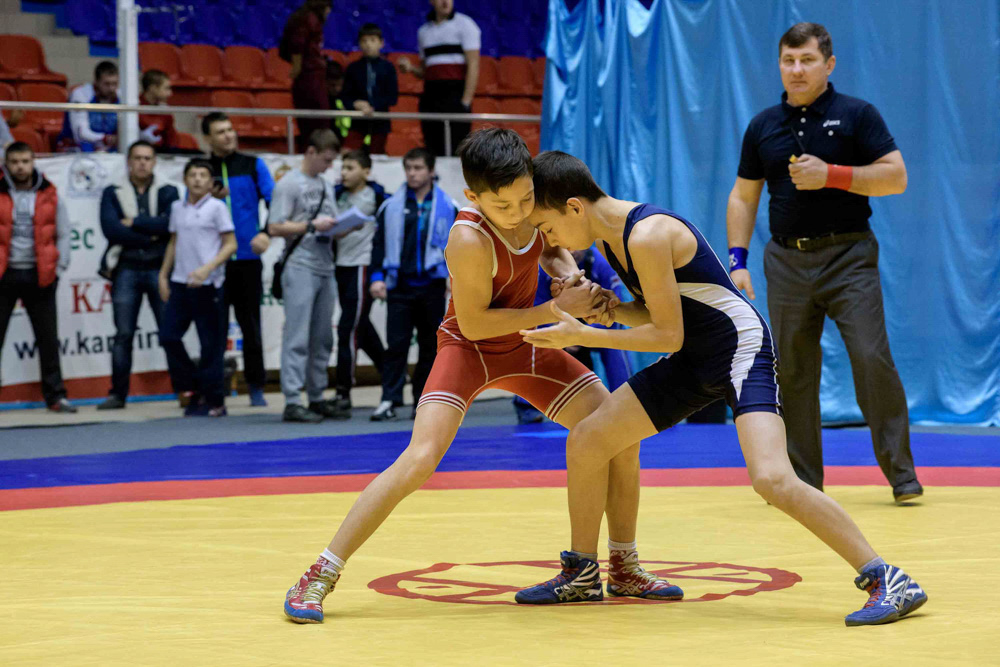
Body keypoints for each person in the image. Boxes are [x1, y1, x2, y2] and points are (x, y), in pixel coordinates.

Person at [283, 128, 680, 624]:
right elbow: (474, 324)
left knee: (617, 432)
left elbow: (549, 248)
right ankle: (320, 572)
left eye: (526, 200)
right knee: (420, 458)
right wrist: (555, 307)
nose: (519, 213)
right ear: (474, 196)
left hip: (527, 346)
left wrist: (569, 274)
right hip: (469, 350)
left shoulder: (529, 201)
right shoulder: (468, 236)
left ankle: (623, 564)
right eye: (504, 205)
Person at [519, 150, 927, 626]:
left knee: (772, 479)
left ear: (573, 207)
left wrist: (584, 335)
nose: (549, 241)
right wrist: (608, 309)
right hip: (695, 355)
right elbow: (659, 312)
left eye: (546, 227)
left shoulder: (647, 234)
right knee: (590, 438)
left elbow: (666, 335)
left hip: (739, 350)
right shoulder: (612, 242)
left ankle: (886, 577)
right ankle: (589, 573)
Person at [726, 23, 921, 503]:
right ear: (779, 65)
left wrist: (831, 175)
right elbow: (743, 196)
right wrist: (737, 260)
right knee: (791, 370)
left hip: (849, 256)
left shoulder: (857, 114)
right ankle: (803, 483)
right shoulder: (763, 125)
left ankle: (902, 475)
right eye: (788, 61)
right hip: (786, 261)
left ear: (828, 65)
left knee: (871, 358)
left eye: (807, 60)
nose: (796, 70)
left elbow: (895, 177)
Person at [267, 129, 350, 423]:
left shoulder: (326, 186)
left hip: (325, 264)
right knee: (297, 335)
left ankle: (316, 396)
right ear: (311, 152)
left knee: (323, 337)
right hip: (300, 264)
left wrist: (343, 227)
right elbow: (274, 227)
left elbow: (327, 223)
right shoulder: (289, 184)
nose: (329, 167)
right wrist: (312, 226)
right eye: (326, 160)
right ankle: (292, 399)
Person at [367, 147, 456, 421]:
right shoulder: (390, 206)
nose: (413, 173)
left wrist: (456, 281)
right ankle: (389, 400)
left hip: (432, 286)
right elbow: (379, 245)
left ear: (431, 171)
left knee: (431, 347)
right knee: (396, 346)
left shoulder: (448, 206)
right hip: (400, 286)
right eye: (409, 168)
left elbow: (458, 249)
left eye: (418, 168)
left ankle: (423, 401)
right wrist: (376, 277)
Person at [97, 140, 180, 410]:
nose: (143, 162)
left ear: (155, 162)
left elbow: (171, 224)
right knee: (123, 334)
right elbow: (111, 230)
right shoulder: (112, 192)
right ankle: (117, 394)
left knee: (169, 332)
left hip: (160, 269)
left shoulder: (168, 191)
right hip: (127, 269)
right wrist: (151, 235)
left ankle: (185, 390)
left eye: (147, 158)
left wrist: (135, 223)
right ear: (129, 162)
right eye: (137, 158)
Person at [513, 246, 632, 424]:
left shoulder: (601, 264)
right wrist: (560, 330)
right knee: (530, 339)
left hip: (592, 324)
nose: (573, 251)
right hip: (555, 321)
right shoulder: (540, 268)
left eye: (578, 247)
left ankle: (626, 402)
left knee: (616, 346)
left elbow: (615, 316)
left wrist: (584, 334)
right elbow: (534, 314)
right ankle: (525, 405)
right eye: (568, 248)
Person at [203, 112, 274, 406]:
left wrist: (266, 233)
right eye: (220, 132)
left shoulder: (253, 165)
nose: (228, 135)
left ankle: (256, 387)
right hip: (214, 261)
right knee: (214, 329)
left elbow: (277, 203)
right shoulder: (202, 170)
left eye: (230, 130)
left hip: (247, 258)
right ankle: (213, 393)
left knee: (251, 326)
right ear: (208, 138)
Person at [0, 142, 76, 412]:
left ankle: (56, 397)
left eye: (25, 161)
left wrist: (60, 266)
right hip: (4, 275)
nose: (20, 166)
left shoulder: (49, 193)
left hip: (40, 275)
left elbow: (64, 232)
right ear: (6, 164)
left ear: (33, 162)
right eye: (15, 162)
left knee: (47, 338)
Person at [158, 159, 237, 418]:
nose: (198, 179)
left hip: (208, 284)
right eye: (193, 174)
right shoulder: (177, 208)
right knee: (168, 336)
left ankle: (214, 399)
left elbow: (230, 244)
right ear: (185, 179)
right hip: (181, 282)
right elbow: (173, 241)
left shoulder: (217, 208)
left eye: (203, 175)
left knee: (210, 345)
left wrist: (208, 267)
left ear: (211, 181)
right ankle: (192, 387)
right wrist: (163, 275)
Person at [333, 149, 386, 410]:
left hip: (361, 266)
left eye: (350, 168)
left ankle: (343, 391)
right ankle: (392, 373)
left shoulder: (376, 196)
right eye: (343, 167)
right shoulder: (336, 195)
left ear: (366, 171)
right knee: (361, 328)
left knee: (348, 329)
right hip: (340, 266)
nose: (344, 173)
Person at [398, 0, 480, 156]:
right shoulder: (424, 31)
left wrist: (466, 101)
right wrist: (410, 68)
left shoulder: (466, 24)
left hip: (455, 95)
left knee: (458, 148)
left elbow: (474, 65)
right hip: (431, 95)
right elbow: (425, 70)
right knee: (432, 148)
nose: (445, 2)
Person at [282, 0, 333, 151]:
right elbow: (297, 45)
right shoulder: (308, 19)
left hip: (312, 78)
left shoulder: (306, 18)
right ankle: (317, 153)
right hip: (309, 80)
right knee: (316, 124)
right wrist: (297, 68)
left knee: (314, 124)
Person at [341, 23, 398, 155]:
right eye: (364, 41)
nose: (368, 44)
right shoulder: (353, 68)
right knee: (347, 154)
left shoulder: (388, 68)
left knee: (377, 157)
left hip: (380, 123)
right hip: (357, 121)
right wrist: (356, 104)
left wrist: (373, 106)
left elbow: (392, 97)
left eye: (372, 40)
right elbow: (345, 96)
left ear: (381, 43)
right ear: (359, 44)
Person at [60, 61, 119, 152]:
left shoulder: (120, 96)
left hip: (109, 147)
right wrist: (105, 139)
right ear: (97, 82)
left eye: (114, 84)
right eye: (107, 84)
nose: (111, 88)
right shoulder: (81, 94)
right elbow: (80, 134)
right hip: (79, 146)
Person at [137, 69, 179, 151]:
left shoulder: (165, 111)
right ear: (153, 88)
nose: (170, 93)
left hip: (161, 155)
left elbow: (171, 141)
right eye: (166, 88)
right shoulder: (134, 108)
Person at [326, 60, 351, 142]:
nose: (337, 89)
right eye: (332, 85)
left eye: (340, 85)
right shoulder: (320, 101)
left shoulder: (347, 97)